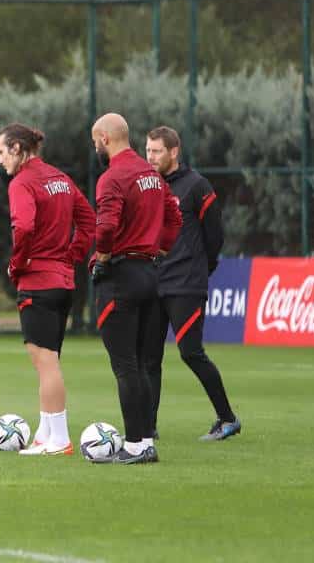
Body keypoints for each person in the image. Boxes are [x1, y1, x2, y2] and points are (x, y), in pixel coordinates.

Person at [0, 123, 96, 456]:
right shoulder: (60, 179)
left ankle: (60, 438)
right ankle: (44, 433)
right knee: (48, 360)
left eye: (0, 152)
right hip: (63, 281)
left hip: (38, 282)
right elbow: (88, 220)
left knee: (46, 362)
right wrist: (73, 255)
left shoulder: (22, 182)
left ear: (15, 148)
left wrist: (17, 263)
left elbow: (23, 227)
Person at [90, 112, 181, 465]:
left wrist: (103, 258)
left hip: (122, 275)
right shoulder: (151, 175)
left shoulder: (112, 177)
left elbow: (107, 227)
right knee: (142, 365)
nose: (95, 147)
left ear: (105, 138)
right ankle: (144, 442)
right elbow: (174, 217)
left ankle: (134, 445)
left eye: (95, 140)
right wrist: (160, 249)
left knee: (125, 366)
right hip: (149, 273)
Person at [142, 126, 240, 441]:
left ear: (174, 152)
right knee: (149, 357)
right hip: (153, 282)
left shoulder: (197, 186)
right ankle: (148, 427)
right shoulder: (147, 185)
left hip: (186, 283)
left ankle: (227, 419)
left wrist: (201, 268)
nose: (150, 156)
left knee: (190, 352)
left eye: (156, 151)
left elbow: (215, 236)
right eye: (148, 150)